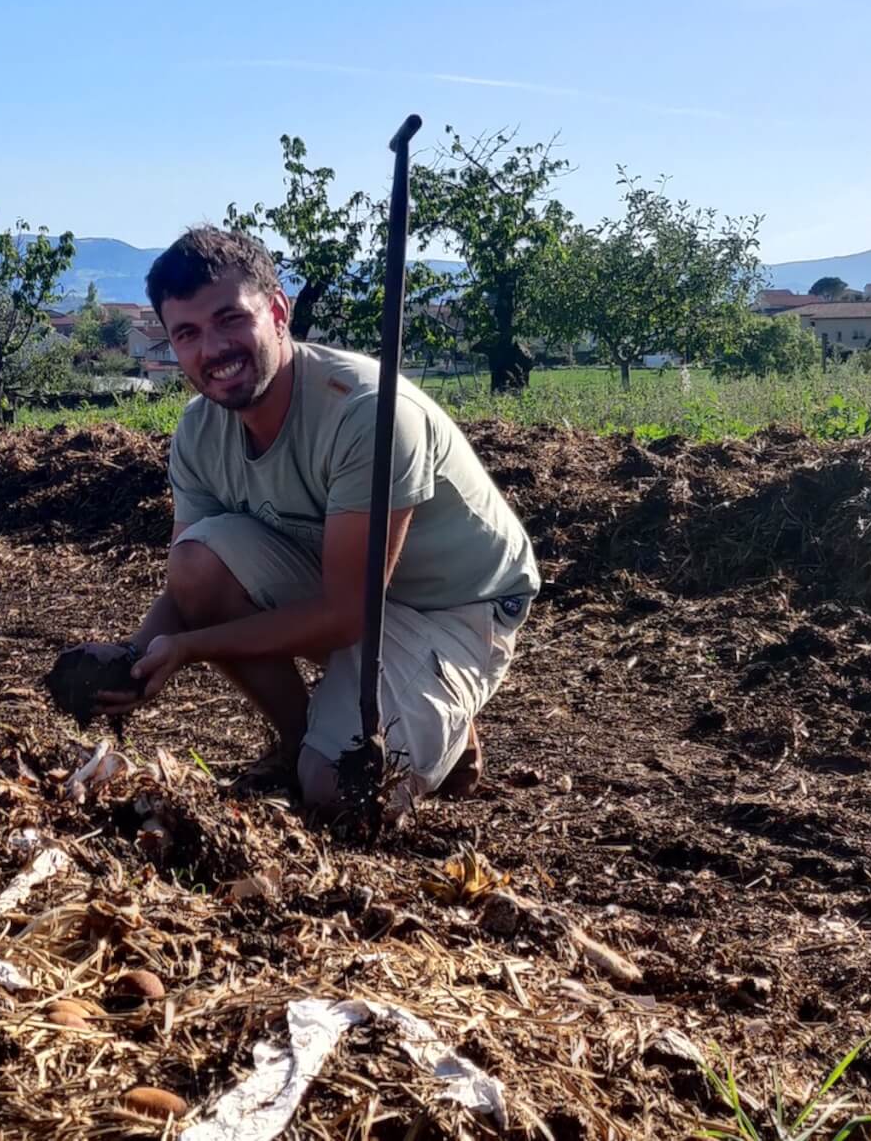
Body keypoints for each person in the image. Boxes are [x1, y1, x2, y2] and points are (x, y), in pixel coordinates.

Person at [64, 226, 538, 810]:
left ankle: (435, 704)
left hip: (454, 606)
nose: (212, 350)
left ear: (279, 311)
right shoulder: (199, 429)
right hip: (343, 579)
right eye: (187, 334)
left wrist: (190, 648)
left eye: (230, 319)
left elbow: (344, 617)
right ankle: (302, 742)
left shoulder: (366, 413)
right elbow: (190, 584)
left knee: (342, 791)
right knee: (196, 565)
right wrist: (134, 661)